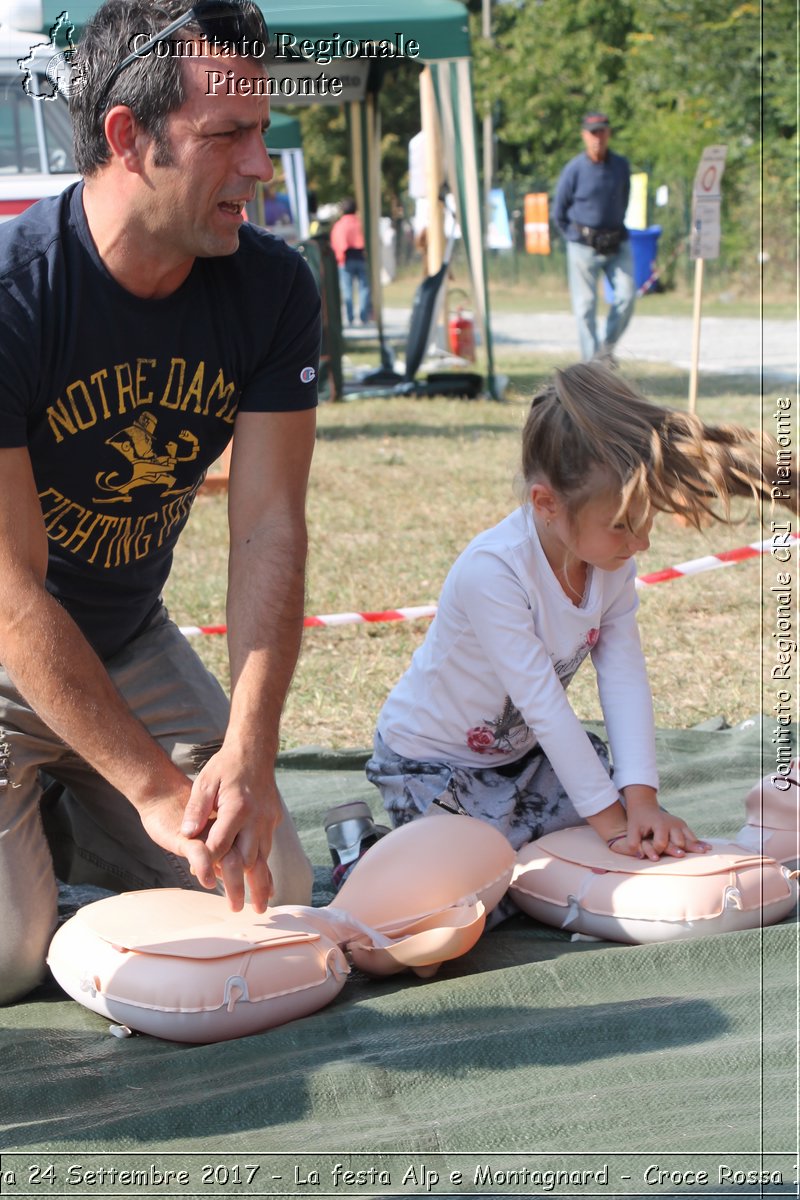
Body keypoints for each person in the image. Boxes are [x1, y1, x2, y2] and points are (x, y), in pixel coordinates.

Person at [0, 0, 322, 1005]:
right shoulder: (15, 296)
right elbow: (11, 593)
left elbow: (269, 525)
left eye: (261, 133)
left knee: (278, 898)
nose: (259, 167)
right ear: (126, 138)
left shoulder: (273, 290)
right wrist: (152, 790)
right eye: (226, 135)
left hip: (129, 645)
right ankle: (62, 815)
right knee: (7, 961)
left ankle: (62, 818)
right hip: (7, 654)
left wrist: (248, 750)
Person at [364, 362, 780, 904]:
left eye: (647, 519)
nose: (642, 543)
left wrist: (641, 801)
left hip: (526, 762)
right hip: (430, 766)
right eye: (623, 525)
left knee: (563, 846)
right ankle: (364, 859)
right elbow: (543, 704)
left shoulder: (610, 561)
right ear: (546, 504)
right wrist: (614, 824)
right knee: (478, 889)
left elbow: (624, 676)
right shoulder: (494, 571)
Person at [554, 111, 636, 363]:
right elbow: (559, 211)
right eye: (592, 133)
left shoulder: (620, 166)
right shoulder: (574, 169)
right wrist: (575, 236)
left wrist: (614, 230)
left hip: (616, 241)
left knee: (626, 296)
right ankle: (592, 366)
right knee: (585, 306)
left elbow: (624, 198)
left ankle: (604, 351)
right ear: (584, 136)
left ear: (608, 133)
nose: (597, 138)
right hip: (583, 246)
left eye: (602, 131)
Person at [329, 197, 371, 326]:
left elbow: (336, 243)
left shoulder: (339, 225)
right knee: (364, 287)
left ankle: (350, 317)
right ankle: (364, 317)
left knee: (347, 289)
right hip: (361, 257)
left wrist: (340, 257)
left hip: (346, 259)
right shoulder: (361, 223)